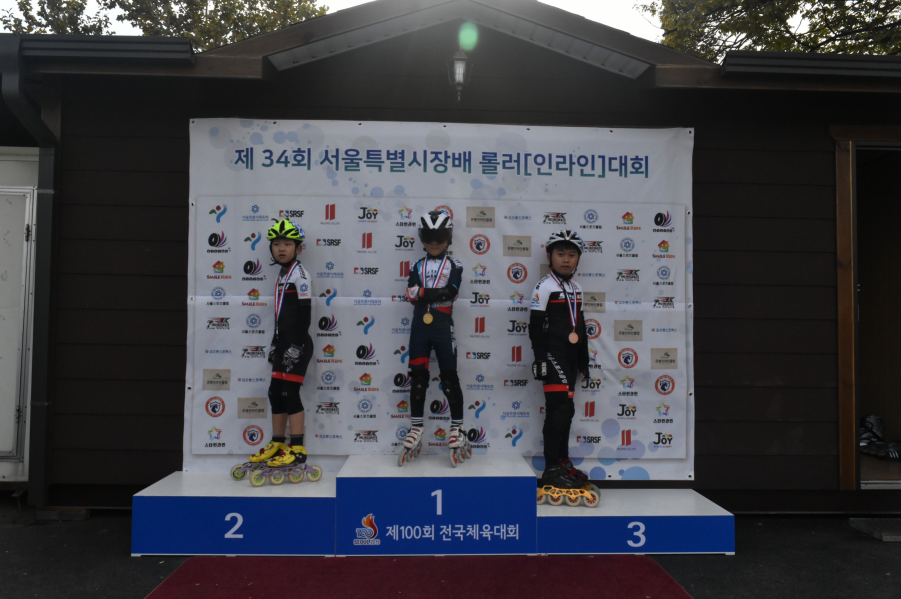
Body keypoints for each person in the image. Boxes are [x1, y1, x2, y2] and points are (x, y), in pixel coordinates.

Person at [399, 210, 470, 466]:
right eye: (429, 237)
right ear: (422, 238)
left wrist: (422, 293)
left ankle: (458, 427)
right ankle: (417, 426)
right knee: (418, 379)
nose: (434, 242)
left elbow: (450, 292)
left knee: (449, 378)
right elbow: (410, 294)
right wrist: (430, 293)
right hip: (420, 326)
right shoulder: (416, 265)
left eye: (439, 237)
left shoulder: (455, 265)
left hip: (442, 326)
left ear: (448, 238)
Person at [249, 218, 314, 469]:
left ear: (298, 249)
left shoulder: (300, 275)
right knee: (274, 393)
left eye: (287, 244)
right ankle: (278, 443)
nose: (281, 248)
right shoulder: (282, 274)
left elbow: (305, 316)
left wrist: (295, 347)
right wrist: (276, 343)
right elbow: (280, 316)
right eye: (276, 244)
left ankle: (297, 448)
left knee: (289, 393)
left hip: (298, 344)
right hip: (284, 342)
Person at [530, 230, 591, 491]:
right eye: (561, 254)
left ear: (578, 259)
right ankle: (551, 468)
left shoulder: (577, 288)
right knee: (558, 409)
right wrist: (540, 359)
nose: (566, 259)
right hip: (552, 353)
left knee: (567, 410)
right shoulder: (544, 286)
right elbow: (534, 326)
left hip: (570, 357)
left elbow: (581, 325)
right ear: (550, 256)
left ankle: (563, 462)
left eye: (572, 255)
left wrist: (584, 360)